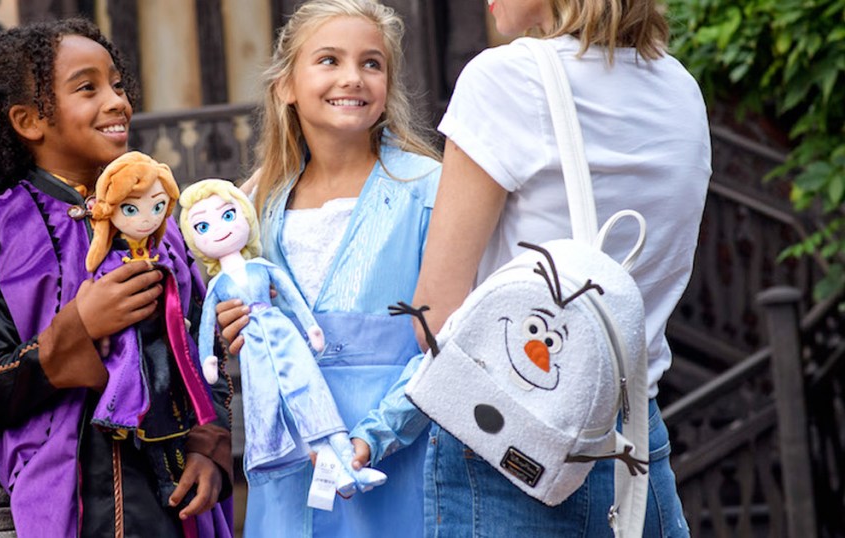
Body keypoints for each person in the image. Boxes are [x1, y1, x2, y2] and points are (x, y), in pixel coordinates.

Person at [363, 0, 710, 535]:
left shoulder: (507, 78)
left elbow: (433, 315)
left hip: (507, 442)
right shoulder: (681, 88)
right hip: (634, 437)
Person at [0, 19, 233, 537]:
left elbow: (206, 349)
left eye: (118, 84)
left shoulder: (161, 225)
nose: (117, 102)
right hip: (71, 501)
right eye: (88, 88)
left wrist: (210, 447)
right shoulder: (0, 226)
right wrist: (80, 324)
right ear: (29, 120)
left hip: (176, 494)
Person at [215, 0, 441, 536]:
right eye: (329, 60)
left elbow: (449, 340)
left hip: (398, 458)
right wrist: (234, 325)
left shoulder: (428, 188)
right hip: (290, 464)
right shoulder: (256, 208)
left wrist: (372, 437)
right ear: (286, 85)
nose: (353, 78)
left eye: (371, 63)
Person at [180, 179, 387, 507]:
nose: (219, 229)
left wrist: (310, 328)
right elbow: (207, 323)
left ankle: (351, 466)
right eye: (203, 225)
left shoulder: (263, 267)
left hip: (284, 338)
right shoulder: (218, 284)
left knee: (312, 397)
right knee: (281, 409)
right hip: (257, 355)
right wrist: (208, 358)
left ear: (246, 216)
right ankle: (338, 473)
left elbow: (290, 293)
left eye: (228, 215)